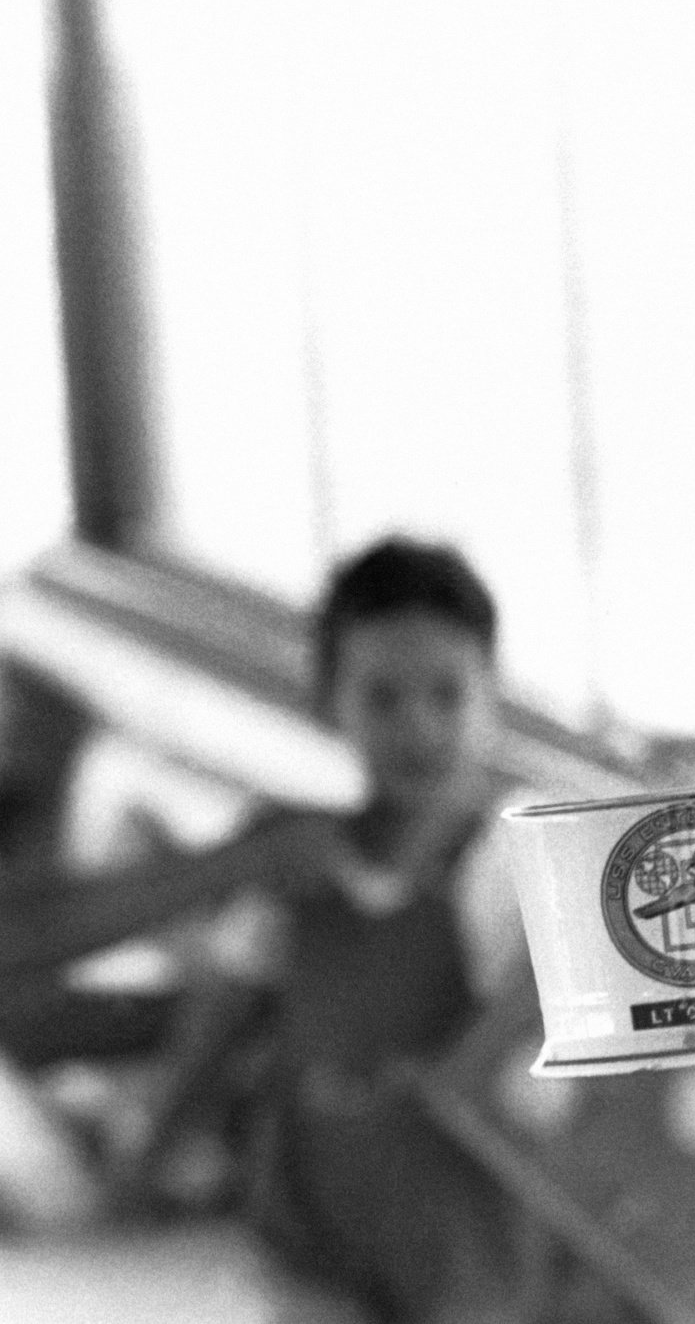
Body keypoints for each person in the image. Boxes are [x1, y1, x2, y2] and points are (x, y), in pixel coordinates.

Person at [234, 535, 532, 1324]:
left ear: (494, 696)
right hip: (309, 1242)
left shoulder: (512, 864)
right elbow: (232, 1011)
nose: (419, 727)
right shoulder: (289, 859)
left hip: (474, 1260)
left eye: (448, 694)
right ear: (329, 701)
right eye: (383, 697)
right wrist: (144, 1159)